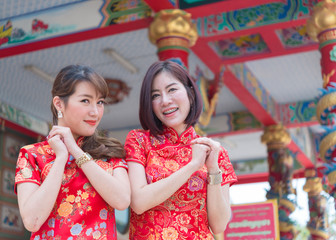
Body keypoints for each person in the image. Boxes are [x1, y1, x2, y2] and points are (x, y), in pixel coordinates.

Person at [15, 64, 131, 239]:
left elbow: (122, 201)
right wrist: (61, 157)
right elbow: (32, 221)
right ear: (59, 103)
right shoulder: (32, 155)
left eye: (99, 102)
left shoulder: (110, 153)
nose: (95, 112)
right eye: (85, 101)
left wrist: (76, 152)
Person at [124, 60, 237, 239]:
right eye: (155, 95)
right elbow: (139, 202)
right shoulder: (139, 140)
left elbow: (219, 225)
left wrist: (213, 169)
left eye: (172, 90)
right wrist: (193, 165)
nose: (165, 101)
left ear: (190, 92)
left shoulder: (214, 151)